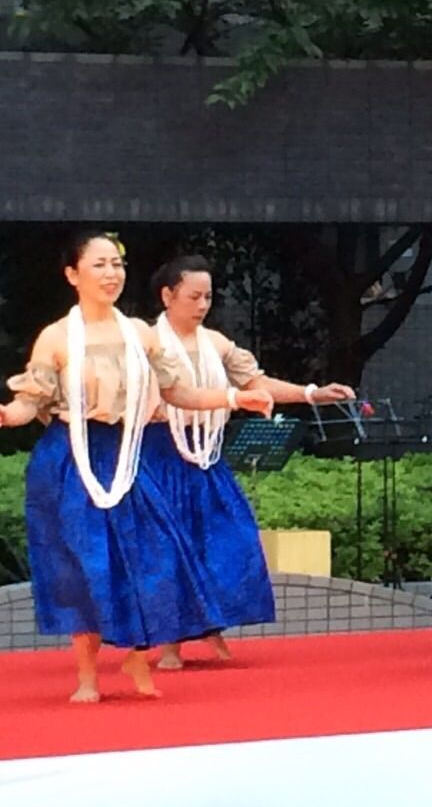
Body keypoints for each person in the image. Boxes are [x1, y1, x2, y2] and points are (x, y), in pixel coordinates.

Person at [0, 233, 273, 702]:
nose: (112, 274)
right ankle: (87, 676)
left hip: (128, 453)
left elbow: (179, 393)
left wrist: (234, 397)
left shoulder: (141, 335)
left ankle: (137, 655)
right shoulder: (57, 337)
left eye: (117, 264)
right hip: (70, 458)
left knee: (157, 555)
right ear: (73, 275)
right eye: (99, 264)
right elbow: (31, 402)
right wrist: (7, 415)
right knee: (85, 565)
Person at [147, 255, 355, 670]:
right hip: (160, 455)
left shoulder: (217, 343)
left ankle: (211, 627)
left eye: (208, 297)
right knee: (170, 548)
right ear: (168, 296)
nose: (202, 305)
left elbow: (255, 384)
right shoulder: (147, 343)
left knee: (231, 540)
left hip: (207, 457)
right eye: (193, 296)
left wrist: (311, 393)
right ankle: (169, 643)